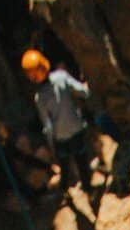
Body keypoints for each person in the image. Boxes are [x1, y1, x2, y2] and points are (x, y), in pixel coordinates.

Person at [23, 48, 93, 199]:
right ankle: (89, 190)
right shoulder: (62, 77)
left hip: (60, 138)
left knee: (65, 165)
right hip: (77, 128)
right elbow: (84, 92)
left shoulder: (39, 98)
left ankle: (65, 191)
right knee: (82, 161)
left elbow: (47, 126)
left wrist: (51, 145)